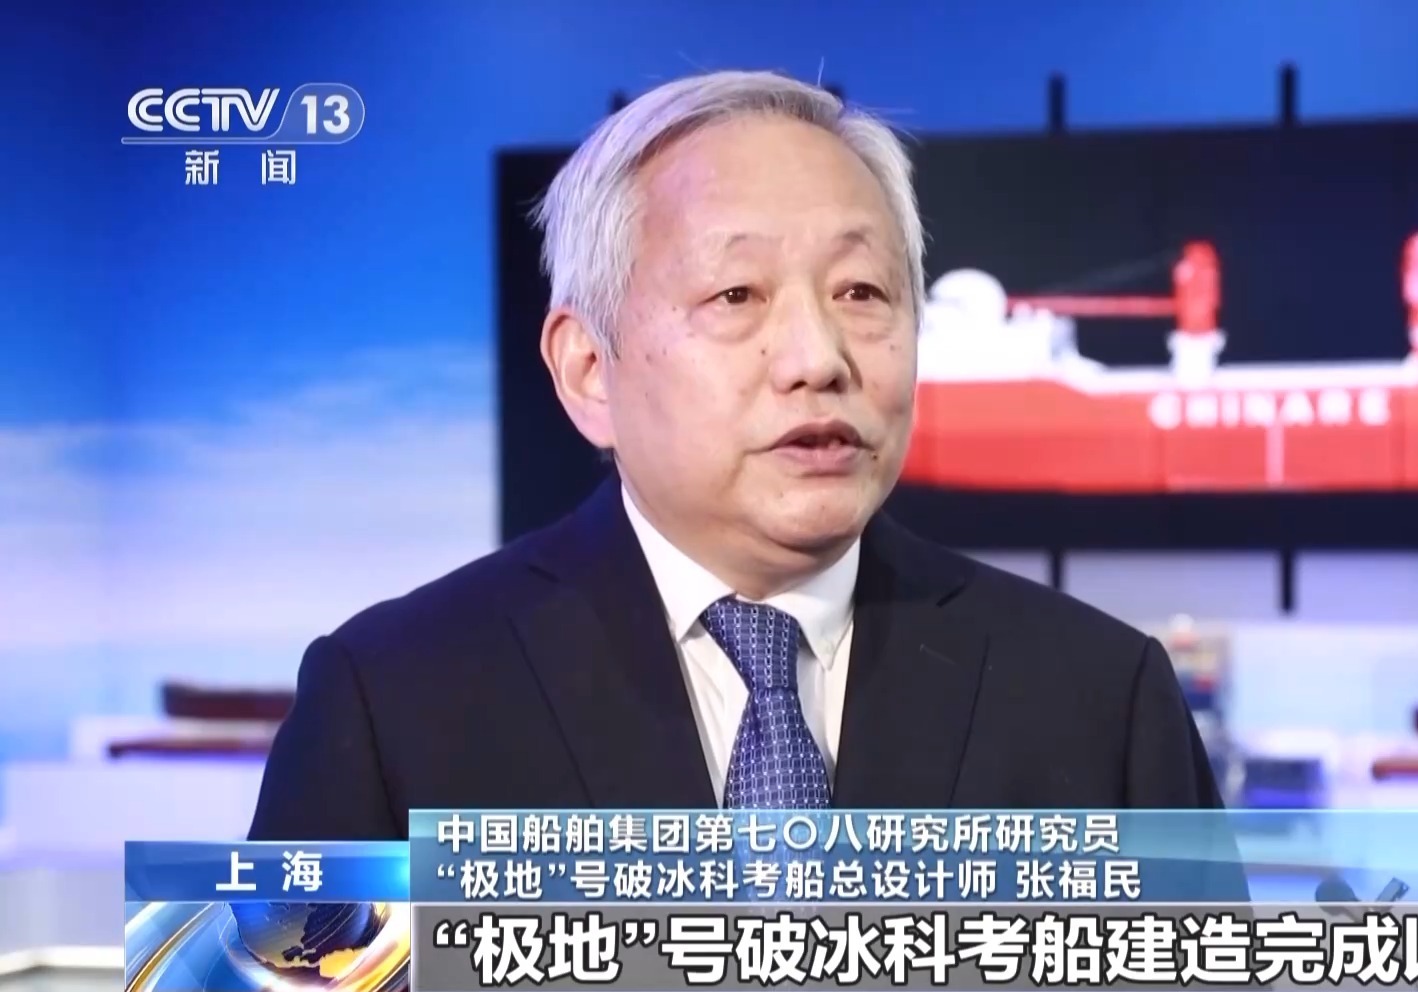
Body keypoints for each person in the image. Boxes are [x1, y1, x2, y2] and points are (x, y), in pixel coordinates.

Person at [249, 70, 1225, 841]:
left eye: (861, 292)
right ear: (588, 370)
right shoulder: (393, 699)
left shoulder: (1102, 700)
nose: (817, 359)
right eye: (736, 295)